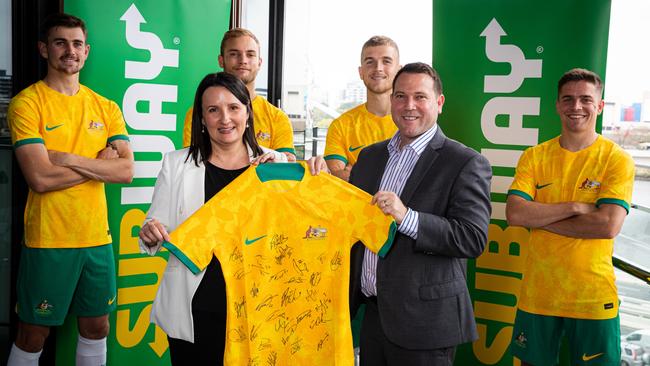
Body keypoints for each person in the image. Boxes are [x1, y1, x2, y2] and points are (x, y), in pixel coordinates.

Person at [6, 13, 134, 366]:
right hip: (49, 240)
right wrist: (97, 164)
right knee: (33, 334)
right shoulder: (27, 104)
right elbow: (41, 179)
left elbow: (124, 170)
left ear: (87, 50)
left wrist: (64, 158)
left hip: (98, 239)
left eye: (77, 43)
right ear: (44, 49)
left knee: (97, 327)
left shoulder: (105, 107)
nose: (70, 50)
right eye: (60, 42)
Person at [347, 62, 492, 365]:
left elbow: (472, 238)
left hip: (425, 325)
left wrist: (407, 217)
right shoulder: (370, 157)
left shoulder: (465, 162)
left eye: (420, 97)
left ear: (439, 103)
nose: (408, 106)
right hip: (372, 317)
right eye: (400, 96)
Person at [138, 72, 287, 365]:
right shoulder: (177, 164)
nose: (225, 118)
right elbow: (155, 223)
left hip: (256, 305)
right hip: (195, 304)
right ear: (202, 119)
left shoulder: (274, 165)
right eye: (213, 110)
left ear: (248, 112)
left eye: (233, 107)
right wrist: (150, 232)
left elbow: (292, 233)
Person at [506, 68, 634, 365]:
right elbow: (514, 213)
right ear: (558, 105)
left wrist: (539, 218)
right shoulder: (534, 156)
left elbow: (607, 224)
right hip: (539, 295)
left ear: (599, 106)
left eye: (585, 100)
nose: (576, 107)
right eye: (568, 99)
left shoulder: (616, 159)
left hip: (592, 298)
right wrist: (575, 207)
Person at [182, 28, 296, 161]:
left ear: (259, 62)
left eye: (250, 54)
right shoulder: (200, 113)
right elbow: (191, 162)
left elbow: (287, 165)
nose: (243, 60)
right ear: (221, 60)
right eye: (234, 54)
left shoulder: (277, 117)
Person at [324, 35, 400, 181]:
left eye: (386, 61)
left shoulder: (412, 123)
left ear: (399, 70)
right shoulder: (341, 126)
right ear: (361, 72)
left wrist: (357, 174)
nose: (378, 68)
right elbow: (335, 179)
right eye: (370, 62)